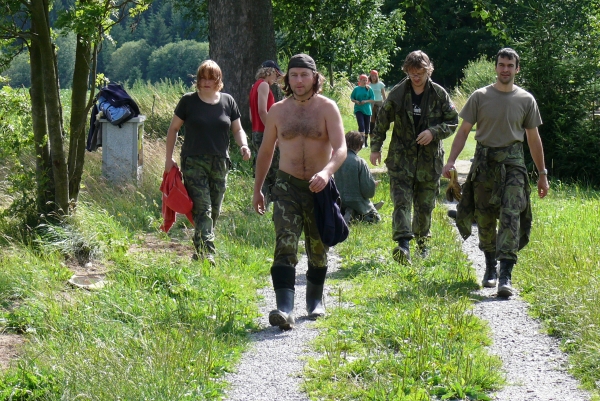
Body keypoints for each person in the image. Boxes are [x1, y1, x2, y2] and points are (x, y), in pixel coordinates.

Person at [442, 48, 549, 297]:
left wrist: (542, 174)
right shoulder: (480, 97)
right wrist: (451, 161)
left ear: (517, 69)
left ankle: (506, 275)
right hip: (484, 164)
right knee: (485, 218)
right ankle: (490, 267)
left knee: (511, 216)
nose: (505, 69)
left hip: (513, 165)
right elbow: (463, 131)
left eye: (510, 65)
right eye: (501, 65)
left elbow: (533, 139)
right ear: (495, 67)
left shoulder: (526, 100)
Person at [253, 53, 346, 330]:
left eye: (304, 75)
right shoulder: (278, 111)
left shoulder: (327, 108)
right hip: (286, 186)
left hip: (320, 188)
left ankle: (315, 300)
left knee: (318, 248)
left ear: (315, 77)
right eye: (293, 75)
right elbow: (266, 152)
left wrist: (326, 173)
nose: (299, 80)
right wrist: (258, 189)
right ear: (287, 79)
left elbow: (341, 148)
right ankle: (285, 308)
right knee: (285, 243)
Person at [370, 50, 458, 264]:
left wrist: (433, 132)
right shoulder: (398, 93)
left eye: (420, 73)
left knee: (425, 205)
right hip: (401, 159)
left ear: (429, 71)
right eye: (412, 73)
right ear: (407, 71)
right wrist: (375, 147)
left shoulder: (439, 94)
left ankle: (422, 244)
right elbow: (382, 120)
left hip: (429, 161)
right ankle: (403, 245)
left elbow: (453, 121)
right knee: (401, 202)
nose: (416, 77)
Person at [165, 59, 251, 265]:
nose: (206, 82)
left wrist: (244, 145)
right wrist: (168, 158)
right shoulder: (188, 101)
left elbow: (237, 129)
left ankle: (199, 249)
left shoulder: (228, 101)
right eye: (202, 78)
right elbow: (173, 129)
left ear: (218, 80)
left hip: (220, 162)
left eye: (210, 78)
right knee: (203, 209)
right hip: (194, 162)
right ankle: (208, 253)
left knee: (215, 209)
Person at [249, 60, 283, 206]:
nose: (276, 79)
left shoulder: (254, 86)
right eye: (276, 75)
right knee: (273, 168)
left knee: (263, 169)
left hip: (256, 132)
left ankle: (263, 203)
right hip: (265, 132)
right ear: (270, 71)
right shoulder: (263, 85)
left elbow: (251, 116)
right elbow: (262, 111)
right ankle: (272, 203)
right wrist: (273, 131)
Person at [335, 130, 383, 223]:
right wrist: (373, 184)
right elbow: (368, 191)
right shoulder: (360, 162)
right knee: (376, 218)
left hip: (339, 201)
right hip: (356, 201)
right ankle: (356, 214)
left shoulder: (336, 160)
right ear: (359, 146)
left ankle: (348, 212)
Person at [351, 74, 375, 148]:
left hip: (367, 110)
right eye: (363, 80)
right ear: (360, 80)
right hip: (358, 109)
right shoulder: (356, 89)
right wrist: (356, 101)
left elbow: (372, 99)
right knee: (361, 125)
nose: (365, 82)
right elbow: (352, 98)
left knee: (367, 127)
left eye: (366, 80)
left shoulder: (369, 89)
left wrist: (365, 101)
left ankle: (365, 142)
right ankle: (362, 142)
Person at [368, 70, 386, 135]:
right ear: (370, 76)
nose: (373, 77)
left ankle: (379, 132)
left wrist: (385, 102)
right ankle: (371, 132)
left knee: (379, 117)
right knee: (372, 117)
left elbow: (383, 95)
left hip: (379, 102)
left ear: (377, 76)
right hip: (372, 102)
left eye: (375, 76)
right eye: (372, 76)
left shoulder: (380, 84)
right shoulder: (368, 85)